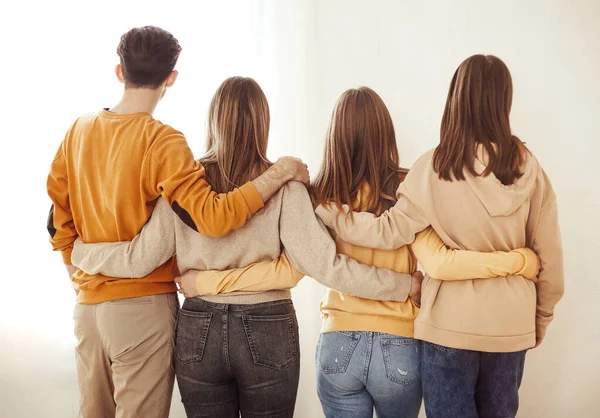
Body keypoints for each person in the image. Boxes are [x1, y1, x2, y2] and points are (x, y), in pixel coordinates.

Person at [71, 76, 420, 418]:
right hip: (268, 327)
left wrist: (81, 252)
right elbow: (328, 266)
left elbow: (139, 258)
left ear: (214, 121)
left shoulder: (183, 187)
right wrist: (403, 286)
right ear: (262, 123)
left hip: (199, 328)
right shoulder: (285, 187)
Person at [46, 27, 308, 418]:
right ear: (171, 78)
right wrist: (277, 173)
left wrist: (81, 274)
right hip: (139, 308)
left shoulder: (78, 131)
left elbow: (56, 223)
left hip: (87, 310)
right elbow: (214, 218)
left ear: (120, 71)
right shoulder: (163, 142)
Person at [315, 56, 564, 418]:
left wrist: (334, 215)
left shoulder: (433, 168)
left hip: (447, 330)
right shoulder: (530, 170)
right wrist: (539, 320)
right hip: (511, 326)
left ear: (455, 100)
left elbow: (387, 231)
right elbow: (551, 260)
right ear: (504, 102)